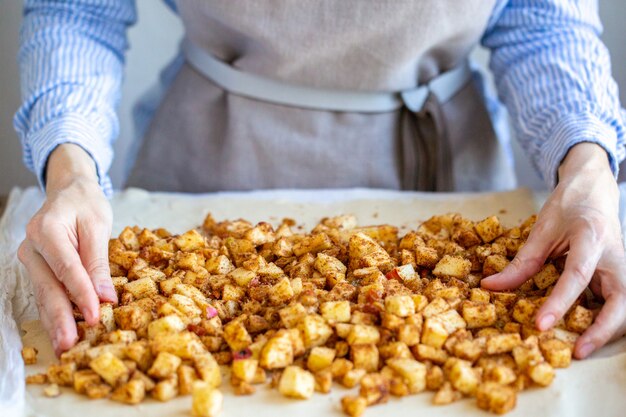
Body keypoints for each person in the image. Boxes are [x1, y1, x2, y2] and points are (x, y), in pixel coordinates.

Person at [14, 0, 626, 359]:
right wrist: (69, 169)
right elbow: (79, 8)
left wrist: (588, 162)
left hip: (444, 161)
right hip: (210, 151)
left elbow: (545, 20)